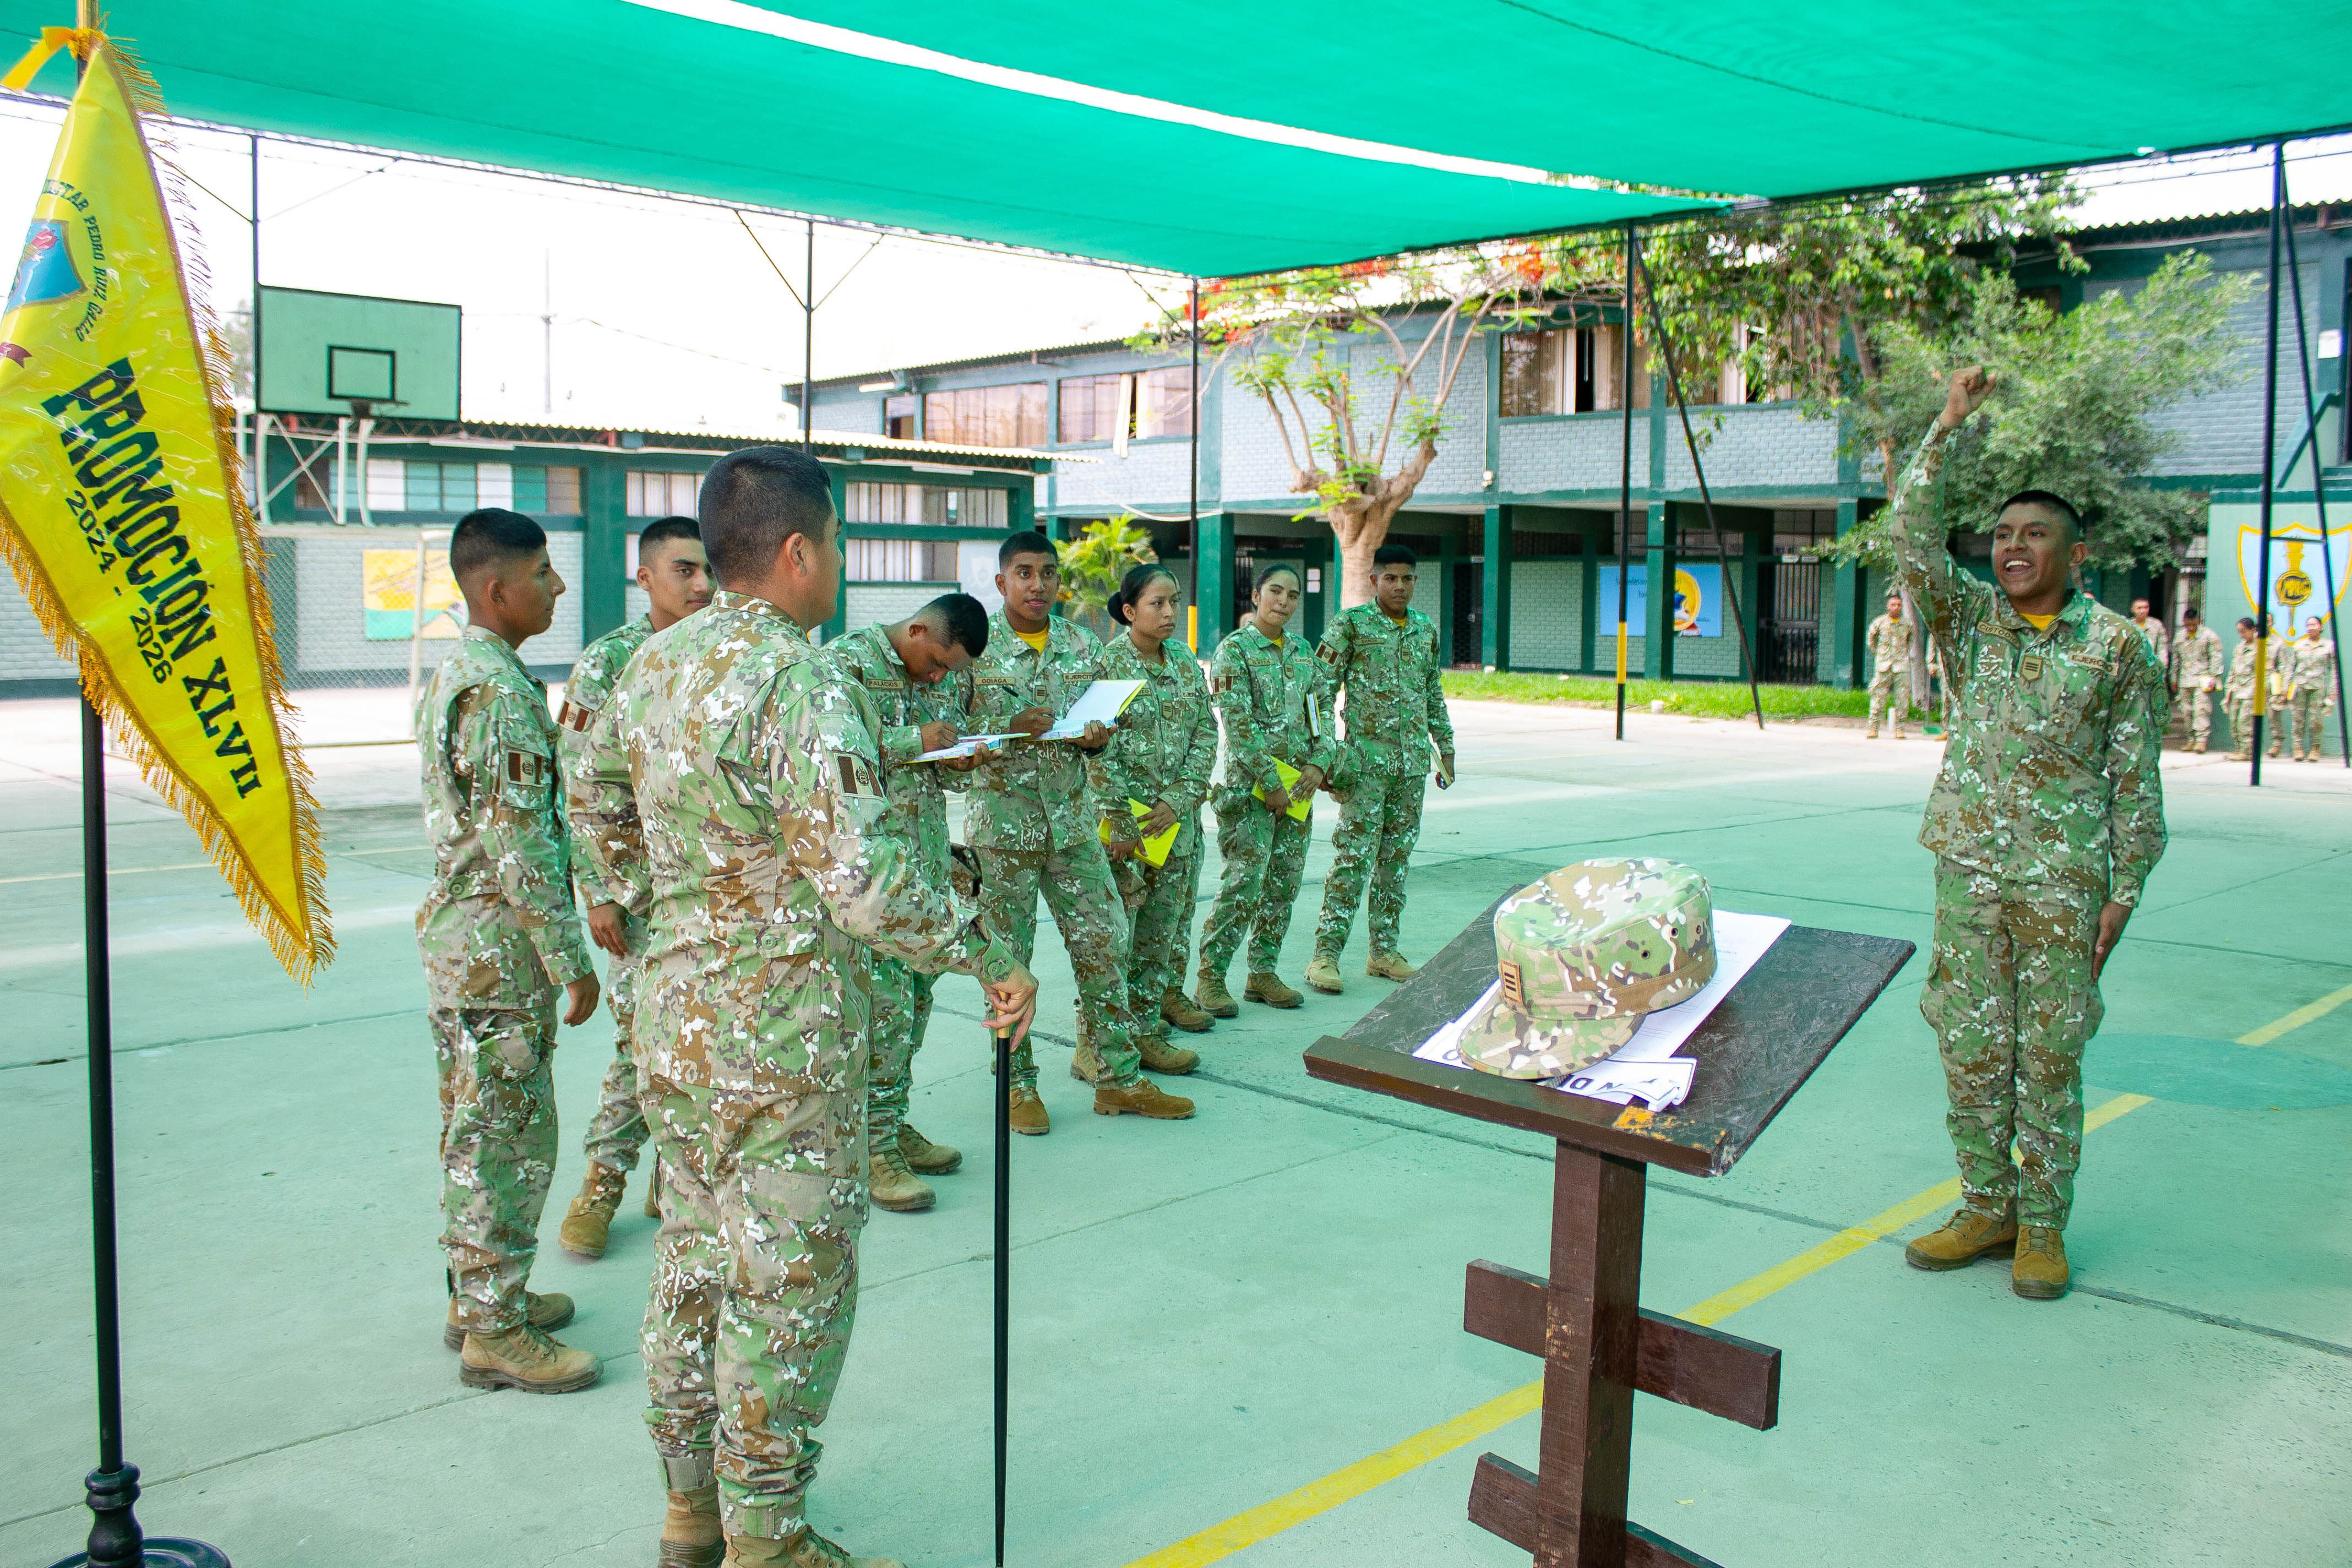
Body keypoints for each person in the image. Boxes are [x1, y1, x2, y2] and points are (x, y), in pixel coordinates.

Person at [574, 445, 1038, 1568]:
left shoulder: (649, 664)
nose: (835, 570)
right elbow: (862, 874)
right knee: (789, 1284)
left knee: (690, 1260)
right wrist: (985, 952)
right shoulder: (802, 674)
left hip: (675, 1023)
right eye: (833, 547)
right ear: (799, 550)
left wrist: (656, 914)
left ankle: (693, 1510)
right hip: (782, 1031)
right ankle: (768, 1539)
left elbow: (593, 807)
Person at [1893, 367, 2166, 1303]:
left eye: (2033, 534)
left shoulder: (2117, 649)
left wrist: (2123, 888)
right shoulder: (1970, 624)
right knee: (1968, 1045)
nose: (2012, 548)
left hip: (2062, 883)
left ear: (2074, 553)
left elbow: (2136, 779)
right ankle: (1985, 1203)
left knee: (2047, 1053)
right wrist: (1947, 425)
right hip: (1969, 870)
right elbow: (1911, 536)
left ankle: (2042, 1225)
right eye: (2003, 535)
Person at [413, 507, 602, 1392]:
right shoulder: (495, 692)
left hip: (469, 947)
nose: (558, 588)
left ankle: (478, 1297)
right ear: (497, 590)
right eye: (543, 574)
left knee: (475, 1126)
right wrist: (571, 959)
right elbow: (522, 845)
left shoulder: (469, 670)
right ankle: (494, 1329)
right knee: (506, 1136)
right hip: (497, 952)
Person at [963, 531, 1196, 1133]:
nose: (1037, 584)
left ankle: (1118, 1077)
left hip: (1071, 826)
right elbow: (953, 736)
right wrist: (1006, 727)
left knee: (1107, 943)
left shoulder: (1079, 643)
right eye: (1023, 573)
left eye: (1047, 573)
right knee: (1007, 963)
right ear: (1001, 582)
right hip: (1004, 830)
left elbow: (1102, 725)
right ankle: (1015, 1085)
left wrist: (1099, 736)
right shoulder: (976, 647)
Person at [555, 516, 712, 1259]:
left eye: (708, 569)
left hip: (716, 886)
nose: (702, 585)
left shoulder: (721, 650)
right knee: (639, 1042)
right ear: (645, 577)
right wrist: (599, 890)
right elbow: (582, 785)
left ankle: (670, 1180)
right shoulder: (611, 660)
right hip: (639, 892)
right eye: (684, 570)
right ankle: (602, 1183)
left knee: (704, 1043)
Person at [822, 592, 994, 1214]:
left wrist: (961, 755)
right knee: (884, 1016)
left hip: (923, 870)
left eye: (951, 672)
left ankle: (891, 1123)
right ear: (918, 628)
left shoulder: (934, 673)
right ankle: (872, 1148)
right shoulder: (845, 665)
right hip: (874, 884)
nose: (941, 678)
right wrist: (910, 738)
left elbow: (927, 770)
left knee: (914, 1010)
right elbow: (833, 757)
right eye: (938, 663)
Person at [1305, 543, 1455, 995]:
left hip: (1411, 768)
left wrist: (1445, 746)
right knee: (1353, 859)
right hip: (1366, 766)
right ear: (1373, 580)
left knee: (1396, 863)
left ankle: (1383, 952)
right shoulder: (1351, 625)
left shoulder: (1424, 628)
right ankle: (1325, 956)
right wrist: (1326, 755)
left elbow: (1433, 690)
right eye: (1391, 578)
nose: (1400, 587)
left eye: (1408, 579)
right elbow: (1319, 691)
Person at [1092, 563, 1218, 1076]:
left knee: (1162, 935)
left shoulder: (1185, 661)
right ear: (1129, 611)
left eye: (1174, 602)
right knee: (1117, 941)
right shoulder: (1107, 666)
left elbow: (1206, 734)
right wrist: (1126, 814)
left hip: (1178, 827)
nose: (1169, 613)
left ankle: (1145, 1030)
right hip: (1128, 832)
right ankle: (1104, 1042)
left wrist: (1180, 799)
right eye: (1156, 604)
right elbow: (1097, 752)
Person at [1196, 564, 1333, 1015]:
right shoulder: (1235, 651)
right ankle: (1211, 978)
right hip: (1251, 795)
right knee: (1244, 884)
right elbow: (1237, 724)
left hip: (1299, 793)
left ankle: (1262, 972)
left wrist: (1319, 762)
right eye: (1275, 591)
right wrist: (1270, 783)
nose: (1284, 602)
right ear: (1256, 596)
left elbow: (1324, 712)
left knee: (1283, 885)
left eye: (1293, 595)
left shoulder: (1303, 652)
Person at [2274, 614, 2338, 762]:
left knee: (2316, 719)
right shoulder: (2299, 646)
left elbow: (2334, 670)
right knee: (2298, 719)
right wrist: (2285, 688)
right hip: (2299, 687)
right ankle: (2298, 749)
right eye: (2308, 625)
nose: (2310, 628)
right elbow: (2291, 667)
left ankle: (2315, 749)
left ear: (2321, 627)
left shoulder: (2329, 646)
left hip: (2318, 687)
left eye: (2314, 625)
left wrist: (2333, 691)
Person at [2223, 616, 2284, 761]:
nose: (2242, 635)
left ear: (2253, 630)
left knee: (2245, 721)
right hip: (2238, 688)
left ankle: (2248, 751)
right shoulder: (2239, 648)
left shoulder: (2261, 648)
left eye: (2244, 632)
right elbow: (2233, 669)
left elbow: (2267, 671)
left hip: (2252, 690)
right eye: (2239, 632)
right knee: (2234, 721)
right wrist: (2229, 689)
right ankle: (2239, 749)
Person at [2172, 606, 2224, 754]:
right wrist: (2173, 678)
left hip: (2203, 678)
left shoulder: (2209, 636)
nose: (2190, 628)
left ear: (2198, 621)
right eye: (2187, 625)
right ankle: (2191, 739)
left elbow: (2216, 657)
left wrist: (2215, 676)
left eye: (2193, 625)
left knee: (2201, 709)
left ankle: (2201, 740)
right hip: (2185, 679)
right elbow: (2176, 659)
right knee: (2186, 710)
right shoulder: (2180, 637)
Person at [1864, 595, 1912, 739]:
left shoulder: (1907, 624)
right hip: (1883, 665)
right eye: (1893, 605)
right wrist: (1880, 654)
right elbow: (1871, 640)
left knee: (1902, 698)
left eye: (1898, 605)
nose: (1896, 608)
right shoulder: (1879, 622)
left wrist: (1903, 655)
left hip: (1901, 666)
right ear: (1888, 606)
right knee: (1878, 696)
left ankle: (1900, 728)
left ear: (1902, 607)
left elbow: (1910, 640)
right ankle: (1873, 727)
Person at [2129, 597, 2171, 691]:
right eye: (2139, 608)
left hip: (2152, 669)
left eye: (2146, 607)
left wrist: (2162, 670)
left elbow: (2162, 650)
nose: (2143, 611)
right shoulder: (2128, 626)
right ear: (2133, 610)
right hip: (2133, 671)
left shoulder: (2156, 625)